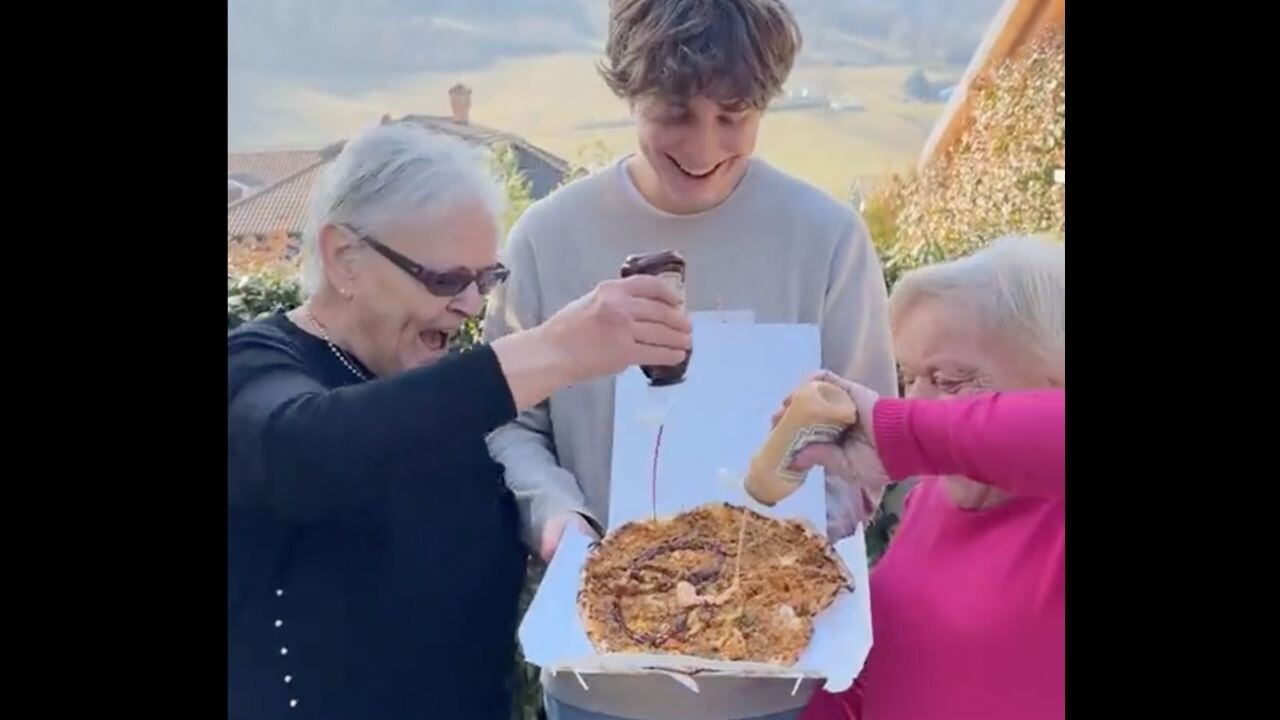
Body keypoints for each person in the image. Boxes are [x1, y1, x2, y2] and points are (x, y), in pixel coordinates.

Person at [482, 1, 898, 718]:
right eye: (674, 112)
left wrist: (798, 547)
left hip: (778, 687)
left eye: (733, 116)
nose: (703, 147)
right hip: (597, 682)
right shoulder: (547, 236)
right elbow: (507, 421)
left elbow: (872, 440)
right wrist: (554, 517)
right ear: (630, 89)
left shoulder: (827, 238)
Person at [227, 122, 692, 720]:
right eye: (445, 280)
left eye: (485, 279)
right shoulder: (257, 367)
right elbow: (305, 451)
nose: (471, 306)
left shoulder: (435, 387)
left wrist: (557, 524)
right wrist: (558, 349)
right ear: (343, 257)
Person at [795, 235, 1065, 720]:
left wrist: (898, 432)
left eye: (949, 380)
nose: (913, 404)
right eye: (909, 376)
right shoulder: (932, 499)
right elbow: (883, 670)